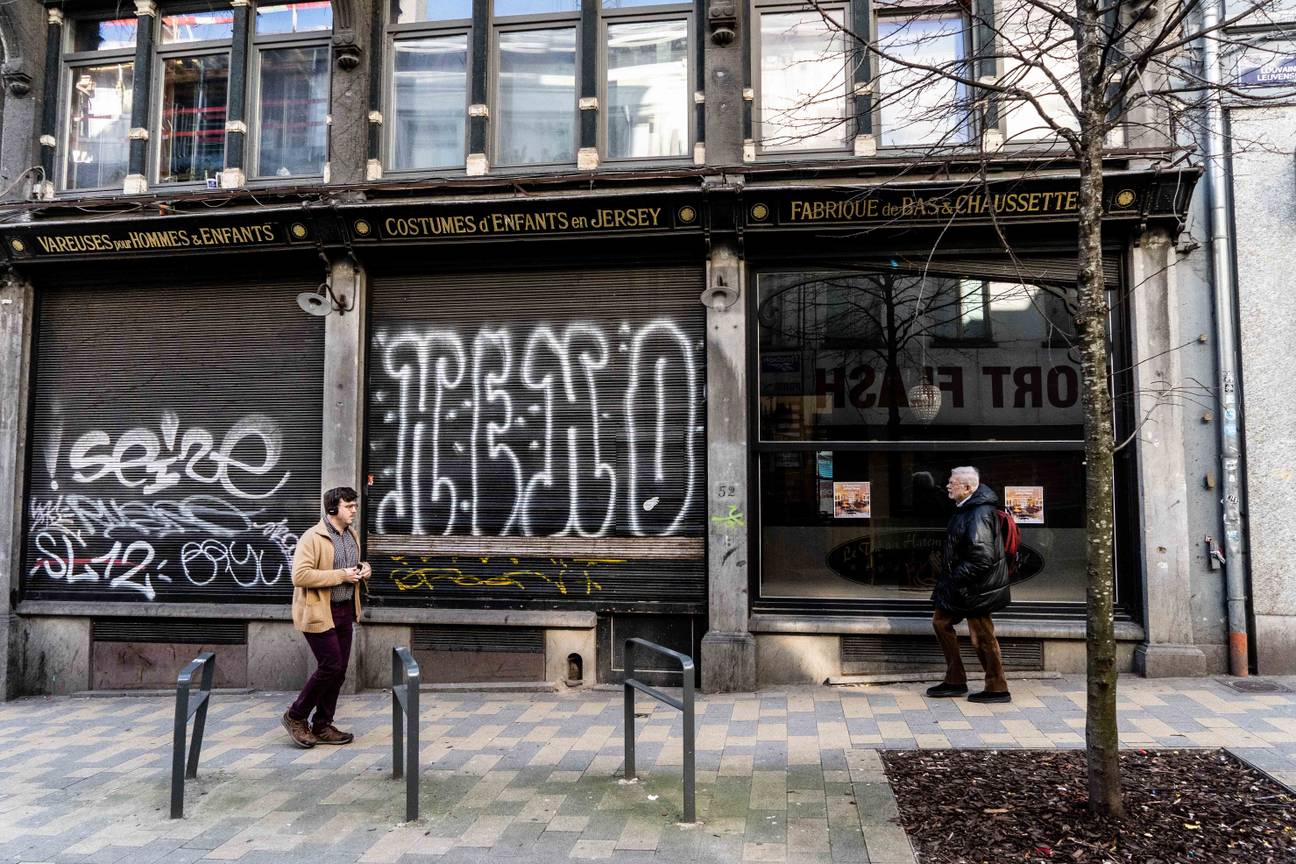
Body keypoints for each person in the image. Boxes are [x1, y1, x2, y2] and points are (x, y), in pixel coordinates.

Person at [282, 486, 369, 747]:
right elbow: (300, 576)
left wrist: (364, 569)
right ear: (333, 509)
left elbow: (351, 567)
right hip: (319, 611)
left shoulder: (351, 534)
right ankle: (295, 716)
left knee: (339, 670)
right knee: (330, 665)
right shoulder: (312, 537)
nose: (354, 510)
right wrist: (342, 575)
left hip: (344, 610)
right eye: (349, 506)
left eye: (355, 505)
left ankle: (322, 725)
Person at [926, 466, 1012, 703]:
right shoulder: (966, 509)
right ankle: (955, 679)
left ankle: (997, 687)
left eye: (952, 482)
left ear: (967, 487)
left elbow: (981, 557)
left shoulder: (979, 513)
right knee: (941, 622)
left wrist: (955, 578)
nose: (947, 486)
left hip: (976, 587)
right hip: (962, 585)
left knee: (982, 635)